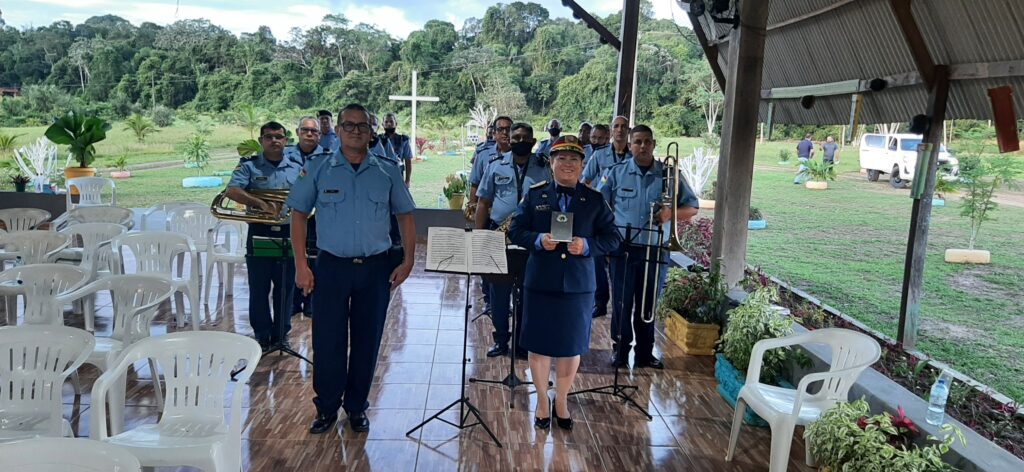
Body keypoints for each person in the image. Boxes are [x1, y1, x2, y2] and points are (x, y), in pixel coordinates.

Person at [287, 103, 417, 435]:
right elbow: (298, 215)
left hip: (375, 269)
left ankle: (357, 406)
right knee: (327, 340)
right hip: (331, 267)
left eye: (362, 126)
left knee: (367, 340)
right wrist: (301, 265)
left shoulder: (387, 169)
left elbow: (405, 215)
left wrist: (408, 261)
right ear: (338, 129)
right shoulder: (319, 167)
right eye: (349, 125)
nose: (356, 131)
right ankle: (327, 407)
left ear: (371, 131)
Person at [508, 135, 621, 430]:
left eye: (574, 159)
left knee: (571, 346)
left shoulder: (594, 200)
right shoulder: (535, 195)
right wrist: (537, 240)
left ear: (583, 165)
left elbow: (613, 238)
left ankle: (562, 400)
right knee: (539, 344)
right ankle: (542, 402)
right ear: (551, 163)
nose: (567, 164)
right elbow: (515, 229)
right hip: (541, 282)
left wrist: (587, 245)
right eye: (561, 159)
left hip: (578, 285)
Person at [597, 124, 699, 369]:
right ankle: (620, 350)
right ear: (630, 145)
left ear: (653, 144)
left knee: (648, 303)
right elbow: (601, 206)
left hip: (655, 249)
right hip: (623, 248)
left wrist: (670, 214)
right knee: (621, 302)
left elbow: (692, 207)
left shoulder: (669, 174)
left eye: (647, 142)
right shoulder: (616, 172)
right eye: (637, 142)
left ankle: (644, 353)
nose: (642, 146)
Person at [224, 121, 304, 352]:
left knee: (286, 287)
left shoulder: (296, 165)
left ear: (285, 140)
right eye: (269, 137)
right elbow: (232, 190)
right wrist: (260, 203)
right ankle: (262, 335)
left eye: (279, 137)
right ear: (261, 141)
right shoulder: (249, 166)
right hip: (260, 231)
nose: (274, 141)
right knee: (259, 287)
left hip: (289, 231)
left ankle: (281, 335)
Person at [475, 122, 551, 358]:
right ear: (509, 139)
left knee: (528, 294)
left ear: (533, 141)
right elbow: (483, 203)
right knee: (499, 295)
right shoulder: (495, 165)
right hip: (500, 236)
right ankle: (500, 340)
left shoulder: (544, 167)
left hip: (531, 238)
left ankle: (522, 342)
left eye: (525, 138)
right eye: (515, 137)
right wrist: (479, 237)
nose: (520, 141)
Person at [285, 117, 331, 319]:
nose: (309, 134)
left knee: (315, 259)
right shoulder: (285, 156)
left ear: (319, 135)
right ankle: (293, 301)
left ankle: (311, 301)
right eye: (305, 130)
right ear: (298, 132)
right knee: (292, 259)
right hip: (290, 216)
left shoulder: (329, 158)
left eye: (314, 131)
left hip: (318, 219)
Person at [581, 116, 631, 186]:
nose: (619, 130)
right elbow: (585, 180)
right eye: (616, 126)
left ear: (629, 130)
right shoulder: (599, 154)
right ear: (611, 130)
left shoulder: (634, 157)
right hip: (602, 191)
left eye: (623, 126)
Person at [382, 112, 414, 186]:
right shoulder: (378, 140)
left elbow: (408, 161)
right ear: (382, 124)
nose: (389, 124)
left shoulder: (403, 140)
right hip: (381, 176)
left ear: (396, 124)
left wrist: (407, 180)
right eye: (386, 122)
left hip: (398, 176)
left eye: (391, 122)